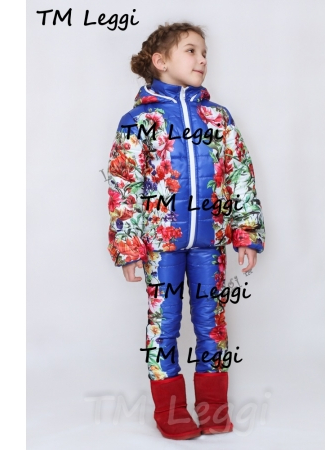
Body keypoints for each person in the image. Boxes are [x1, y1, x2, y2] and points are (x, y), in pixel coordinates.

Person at [106, 22, 265, 440]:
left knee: (213, 325)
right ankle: (171, 412)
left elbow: (240, 176)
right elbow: (124, 185)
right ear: (161, 61)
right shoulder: (139, 120)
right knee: (164, 326)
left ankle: (213, 410)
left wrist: (246, 233)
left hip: (209, 245)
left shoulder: (218, 118)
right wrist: (128, 246)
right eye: (191, 51)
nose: (202, 59)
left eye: (204, 53)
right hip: (161, 246)